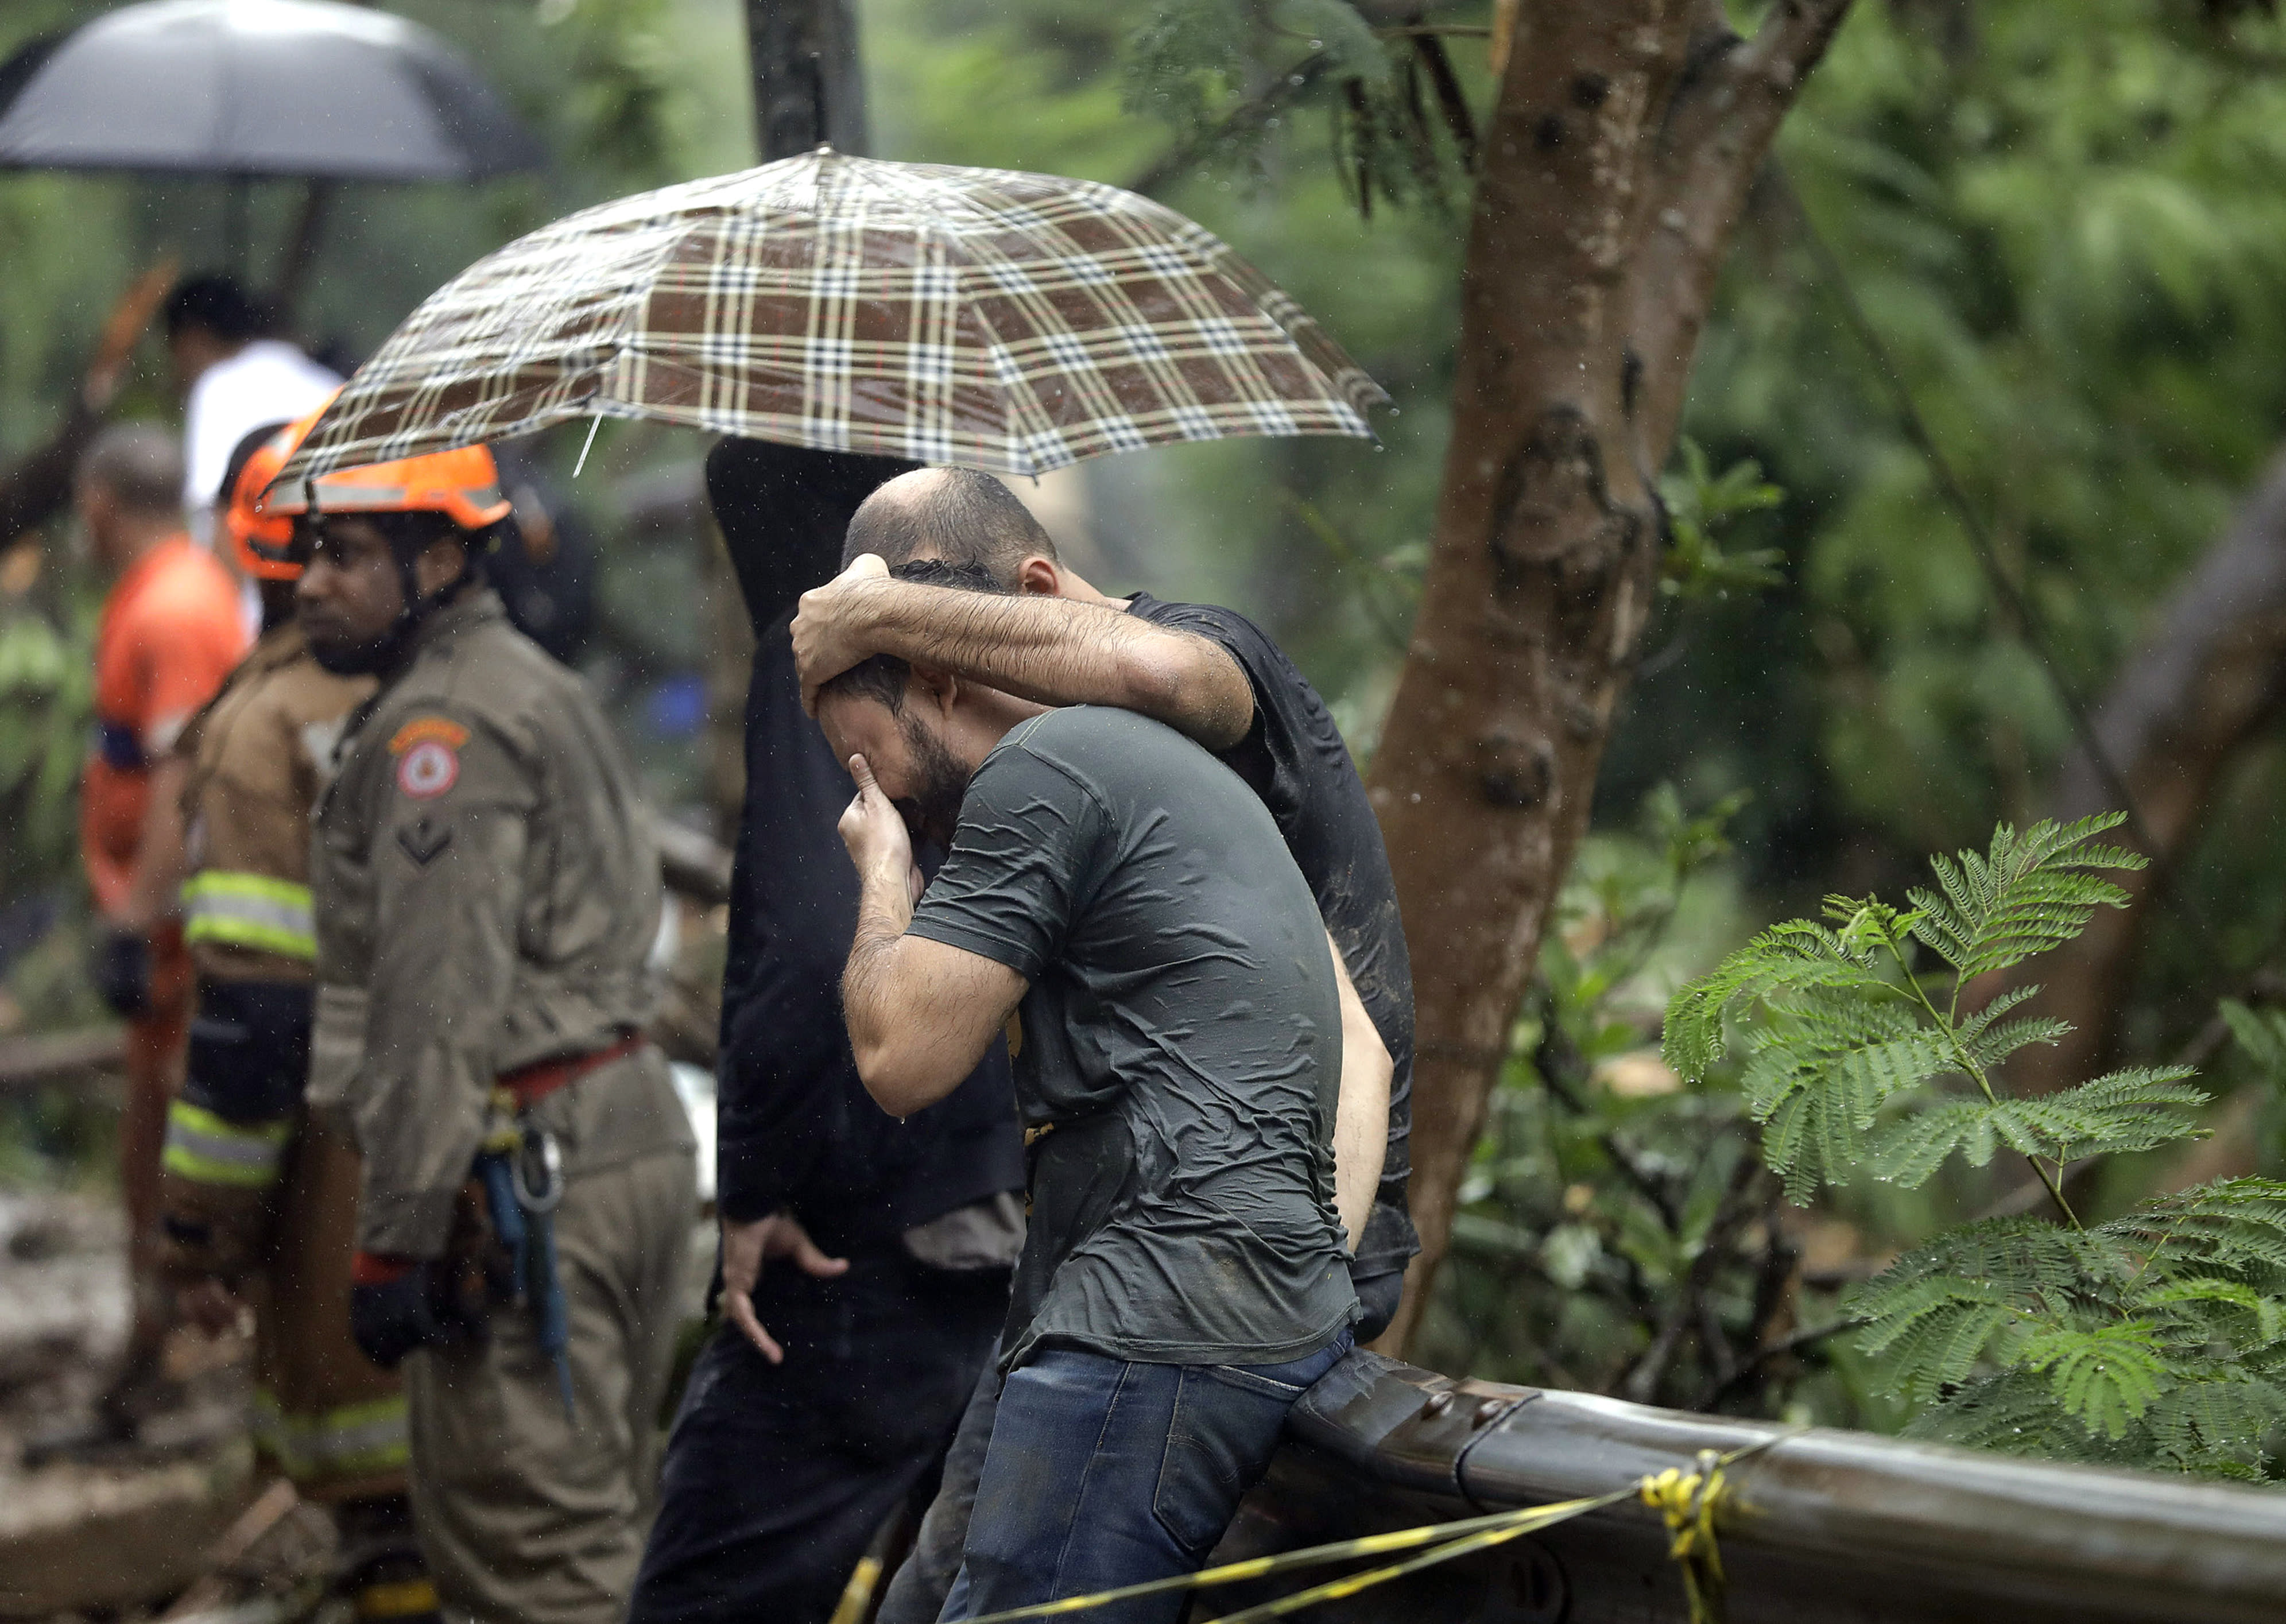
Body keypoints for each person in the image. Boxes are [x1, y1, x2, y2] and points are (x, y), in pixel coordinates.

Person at [789, 468, 1416, 1621]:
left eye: (883, 772)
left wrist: (883, 875)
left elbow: (901, 1060)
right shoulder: (1115, 769)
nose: (889, 806)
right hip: (1123, 1268)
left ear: (970, 645)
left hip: (1189, 1277)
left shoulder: (1145, 700)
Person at [281, 441, 696, 1624]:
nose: (313, 580)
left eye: (349, 553)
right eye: (315, 552)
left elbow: (434, 1003)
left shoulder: (442, 738)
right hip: (619, 1136)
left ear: (447, 556)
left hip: (527, 1174)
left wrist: (397, 1236)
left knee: (534, 1568)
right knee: (602, 1532)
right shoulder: (531, 683)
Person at [627, 440, 1025, 1624]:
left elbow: (808, 944)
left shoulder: (817, 665)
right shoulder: (981, 665)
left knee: (710, 1588)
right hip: (991, 1194)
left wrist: (750, 1187)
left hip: (862, 1229)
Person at [153, 413, 435, 1618]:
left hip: (343, 1166)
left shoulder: (261, 731)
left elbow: (254, 1015)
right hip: (492, 1147)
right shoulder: (459, 687)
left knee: (384, 1500)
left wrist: (197, 1231)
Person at [75, 423, 250, 1432]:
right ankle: (152, 1359)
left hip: (186, 951)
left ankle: (189, 1363)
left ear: (100, 501)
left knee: (185, 1158)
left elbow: (180, 776)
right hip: (168, 945)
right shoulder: (161, 594)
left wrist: (138, 921)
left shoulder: (177, 605)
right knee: (150, 1153)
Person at [165, 274, 339, 545]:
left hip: (261, 575)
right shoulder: (328, 385)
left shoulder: (218, 388)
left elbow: (216, 514)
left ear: (192, 340)